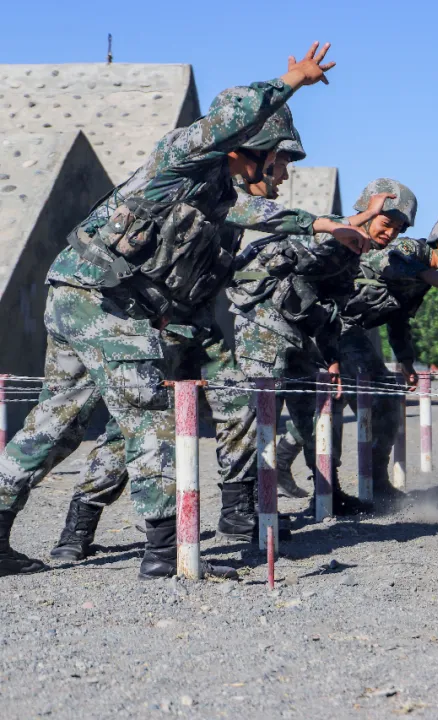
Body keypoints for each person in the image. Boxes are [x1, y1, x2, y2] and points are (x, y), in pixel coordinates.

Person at [0, 43, 345, 579]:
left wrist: (325, 226)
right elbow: (233, 116)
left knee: (57, 423)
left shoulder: (211, 192)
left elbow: (255, 212)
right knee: (148, 417)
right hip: (100, 299)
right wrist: (292, 79)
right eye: (271, 157)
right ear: (242, 147)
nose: (276, 171)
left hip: (83, 292)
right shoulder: (181, 158)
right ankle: (165, 553)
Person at [46, 103, 370, 560]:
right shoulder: (208, 185)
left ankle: (237, 509)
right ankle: (78, 529)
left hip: (196, 324)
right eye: (278, 164)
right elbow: (248, 210)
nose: (282, 176)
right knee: (130, 433)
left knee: (238, 401)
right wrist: (320, 221)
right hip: (153, 322)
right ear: (255, 153)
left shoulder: (232, 196)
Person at [230, 179, 411, 516]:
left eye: (398, 230)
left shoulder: (349, 262)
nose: (389, 234)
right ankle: (242, 506)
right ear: (365, 214)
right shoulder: (331, 231)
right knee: (257, 414)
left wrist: (332, 361)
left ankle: (328, 492)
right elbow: (308, 236)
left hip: (297, 332)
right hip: (262, 325)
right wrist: (357, 220)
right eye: (386, 223)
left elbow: (329, 314)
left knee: (316, 414)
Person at [333, 212, 438, 508]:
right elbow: (382, 262)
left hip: (350, 331)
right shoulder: (414, 251)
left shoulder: (425, 280)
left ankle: (377, 482)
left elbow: (398, 318)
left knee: (389, 399)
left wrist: (405, 361)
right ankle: (321, 485)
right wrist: (427, 274)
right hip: (329, 323)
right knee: (327, 405)